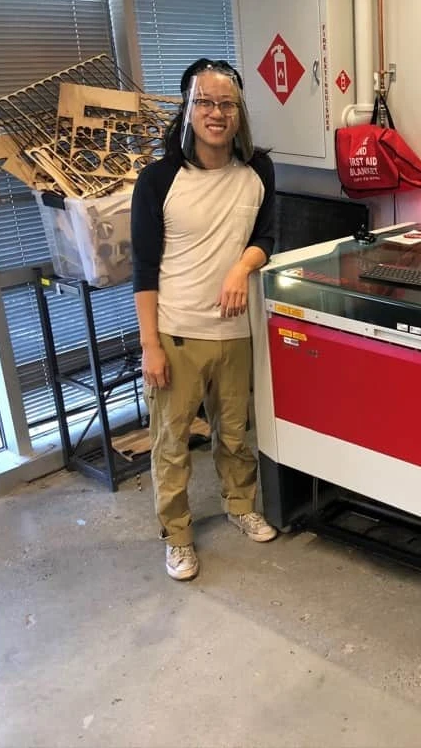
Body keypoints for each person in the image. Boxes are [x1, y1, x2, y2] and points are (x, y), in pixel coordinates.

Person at [131, 58, 278, 581]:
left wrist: (242, 266)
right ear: (188, 109)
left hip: (236, 331)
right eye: (205, 102)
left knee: (236, 432)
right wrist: (150, 345)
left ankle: (241, 506)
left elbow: (267, 237)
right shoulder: (159, 179)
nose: (217, 113)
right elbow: (144, 268)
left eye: (226, 103)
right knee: (171, 444)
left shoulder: (257, 170)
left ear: (238, 113)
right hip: (176, 332)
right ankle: (176, 537)